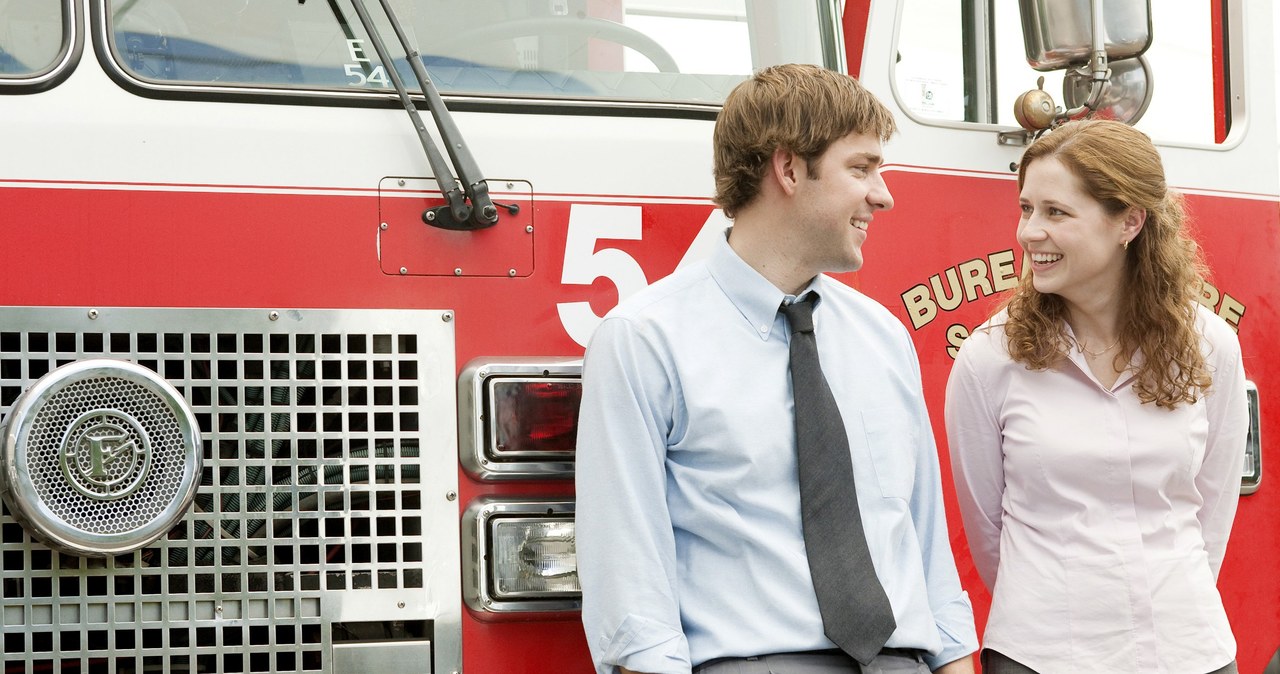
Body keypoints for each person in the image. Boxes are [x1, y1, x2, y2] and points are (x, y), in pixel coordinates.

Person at [575, 63, 978, 674]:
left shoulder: (884, 337)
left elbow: (924, 544)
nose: (884, 194)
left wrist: (951, 662)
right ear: (789, 169)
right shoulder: (643, 340)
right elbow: (629, 587)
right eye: (862, 168)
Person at [944, 119, 1247, 674]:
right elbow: (988, 529)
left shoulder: (1210, 346)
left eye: (1056, 212)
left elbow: (1213, 510)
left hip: (1189, 651)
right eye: (1026, 208)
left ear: (1129, 221)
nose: (1030, 231)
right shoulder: (989, 359)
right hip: (1041, 655)